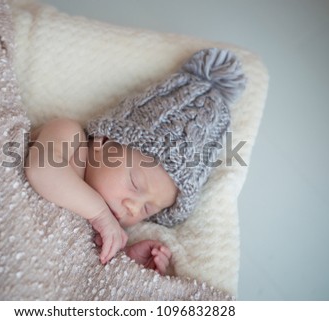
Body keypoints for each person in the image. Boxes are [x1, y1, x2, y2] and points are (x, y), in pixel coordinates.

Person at [25, 48, 246, 276]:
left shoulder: (108, 225)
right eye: (135, 183)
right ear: (106, 141)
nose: (133, 207)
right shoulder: (69, 136)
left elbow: (80, 267)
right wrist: (99, 215)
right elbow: (42, 171)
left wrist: (125, 258)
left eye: (147, 209)